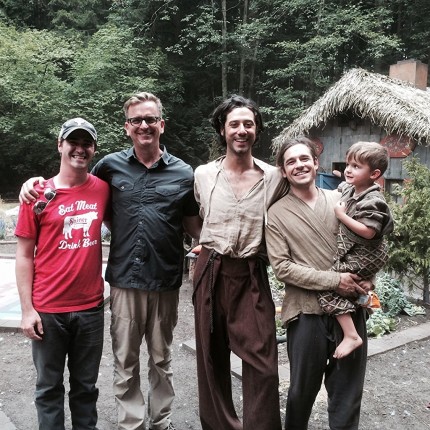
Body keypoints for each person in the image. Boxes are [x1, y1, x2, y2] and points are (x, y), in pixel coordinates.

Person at [19, 92, 201, 430]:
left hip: (165, 281)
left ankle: (161, 422)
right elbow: (73, 181)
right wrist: (33, 184)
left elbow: (194, 225)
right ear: (127, 127)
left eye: (150, 119)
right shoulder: (109, 167)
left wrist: (214, 239)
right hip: (124, 280)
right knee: (125, 361)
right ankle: (131, 424)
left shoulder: (183, 172)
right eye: (136, 120)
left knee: (162, 359)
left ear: (161, 124)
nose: (144, 125)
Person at [265, 136, 372, 430]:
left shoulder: (341, 200)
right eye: (291, 162)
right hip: (306, 313)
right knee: (301, 391)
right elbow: (282, 268)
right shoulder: (276, 213)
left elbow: (367, 242)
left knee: (348, 393)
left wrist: (368, 276)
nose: (299, 165)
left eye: (304, 159)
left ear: (315, 163)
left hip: (350, 309)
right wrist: (335, 280)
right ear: (283, 171)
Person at [193, 95, 283, 430]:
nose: (241, 130)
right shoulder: (204, 174)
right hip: (211, 270)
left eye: (248, 124)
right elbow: (195, 215)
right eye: (234, 124)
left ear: (257, 130)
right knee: (211, 359)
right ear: (222, 129)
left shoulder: (274, 177)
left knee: (263, 364)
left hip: (251, 272)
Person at [15, 118, 110, 430]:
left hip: (91, 308)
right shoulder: (37, 195)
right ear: (60, 145)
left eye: (86, 143)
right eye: (73, 142)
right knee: (48, 388)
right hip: (48, 310)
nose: (80, 149)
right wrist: (27, 310)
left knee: (86, 388)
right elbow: (24, 255)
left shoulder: (103, 190)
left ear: (93, 149)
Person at [318, 141, 394, 359]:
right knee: (356, 284)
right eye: (348, 164)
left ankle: (351, 335)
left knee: (328, 285)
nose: (348, 170)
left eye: (356, 166)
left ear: (374, 174)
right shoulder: (351, 188)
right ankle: (364, 299)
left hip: (366, 254)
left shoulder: (373, 200)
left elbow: (369, 232)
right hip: (361, 254)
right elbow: (335, 190)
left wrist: (341, 216)